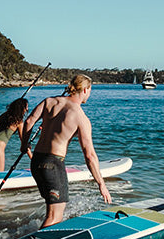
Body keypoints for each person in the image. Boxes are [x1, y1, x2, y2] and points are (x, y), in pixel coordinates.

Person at [20, 74, 111, 228]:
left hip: (36, 161)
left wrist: (24, 144)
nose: (90, 94)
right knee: (55, 216)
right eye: (90, 90)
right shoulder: (81, 117)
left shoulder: (50, 101)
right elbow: (89, 155)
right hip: (53, 164)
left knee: (53, 210)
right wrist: (101, 183)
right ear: (85, 89)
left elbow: (28, 121)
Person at [0, 98, 31, 172]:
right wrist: (32, 158)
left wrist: (1, 124)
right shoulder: (19, 122)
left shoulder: (5, 115)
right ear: (22, 108)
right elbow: (23, 141)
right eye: (26, 107)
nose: (27, 109)